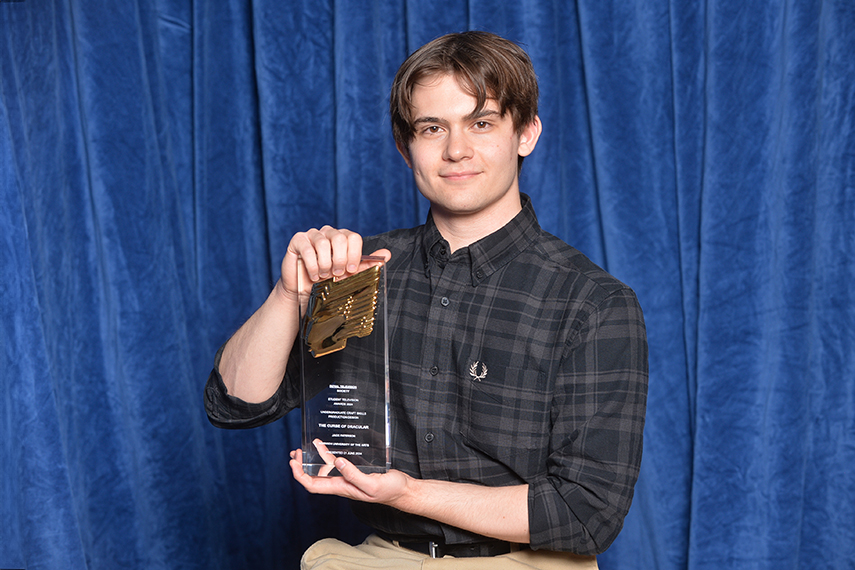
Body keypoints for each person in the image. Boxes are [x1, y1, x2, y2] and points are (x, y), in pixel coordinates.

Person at [205, 31, 648, 569]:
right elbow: (234, 406)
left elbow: (587, 513)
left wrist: (408, 493)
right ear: (405, 146)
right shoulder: (359, 273)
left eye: (481, 123)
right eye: (432, 128)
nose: (455, 149)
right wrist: (290, 293)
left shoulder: (591, 303)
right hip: (377, 557)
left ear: (526, 133)